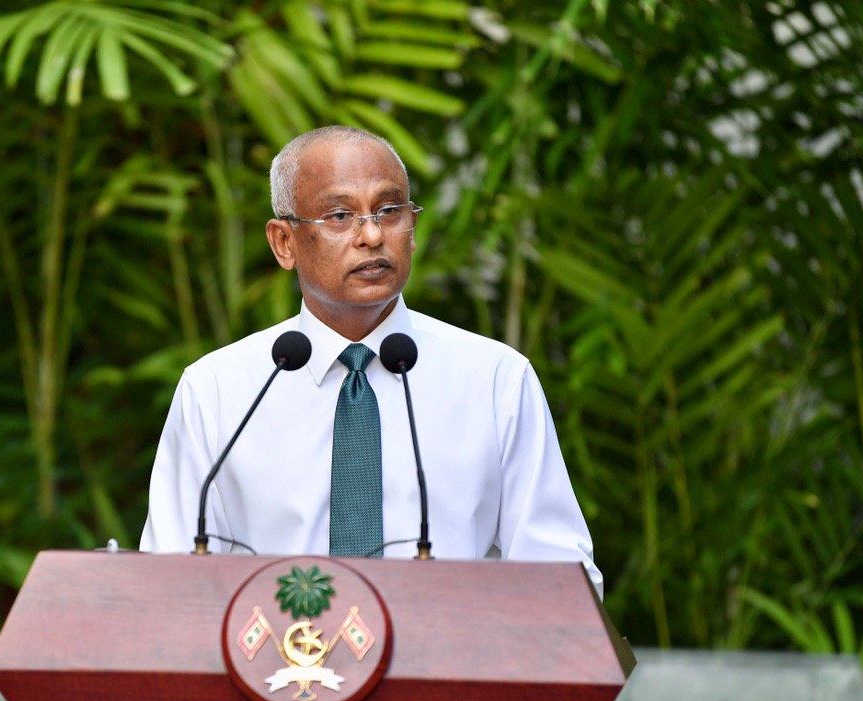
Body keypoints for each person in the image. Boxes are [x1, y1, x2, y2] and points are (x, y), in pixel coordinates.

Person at [140, 126, 602, 599]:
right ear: (284, 242)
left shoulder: (495, 380)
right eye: (340, 215)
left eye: (390, 210)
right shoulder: (218, 391)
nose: (374, 235)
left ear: (413, 228)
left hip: (446, 664)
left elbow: (561, 578)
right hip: (277, 667)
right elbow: (171, 584)